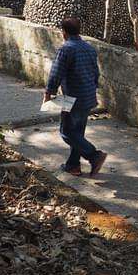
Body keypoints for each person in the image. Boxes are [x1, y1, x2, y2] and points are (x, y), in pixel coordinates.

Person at [44, 16, 107, 177]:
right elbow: (96, 74)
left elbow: (56, 73)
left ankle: (94, 155)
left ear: (64, 32)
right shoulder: (89, 48)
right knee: (77, 133)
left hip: (71, 98)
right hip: (88, 96)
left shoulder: (66, 49)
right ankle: (73, 166)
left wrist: (48, 93)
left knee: (66, 132)